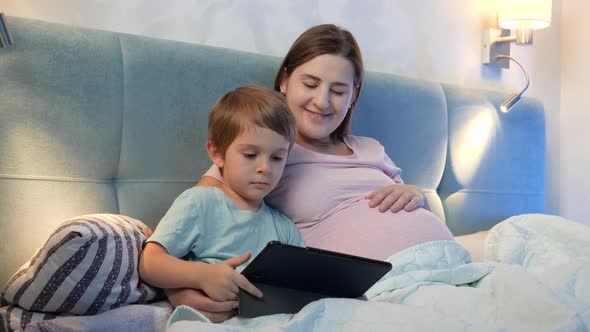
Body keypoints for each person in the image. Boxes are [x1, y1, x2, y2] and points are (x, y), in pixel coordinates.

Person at [170, 24, 455, 322]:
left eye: (338, 90)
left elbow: (405, 204)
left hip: (447, 262)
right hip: (380, 290)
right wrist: (181, 292)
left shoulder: (371, 148)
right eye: (310, 84)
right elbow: (190, 229)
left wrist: (415, 193)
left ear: (353, 95)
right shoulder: (263, 154)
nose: (322, 101)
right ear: (284, 80)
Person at [138, 85, 304, 308]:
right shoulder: (200, 203)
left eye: (277, 158)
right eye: (251, 155)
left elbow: (302, 282)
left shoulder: (284, 227)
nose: (265, 167)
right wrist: (202, 275)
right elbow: (149, 263)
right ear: (217, 154)